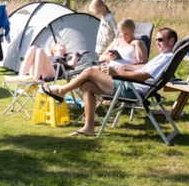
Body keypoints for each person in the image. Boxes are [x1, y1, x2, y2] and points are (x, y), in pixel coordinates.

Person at [40, 27, 178, 137]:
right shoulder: (163, 56)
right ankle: (88, 128)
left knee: (91, 71)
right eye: (156, 40)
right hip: (130, 84)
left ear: (171, 41)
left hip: (132, 89)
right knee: (87, 86)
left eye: (160, 39)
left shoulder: (167, 57)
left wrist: (117, 73)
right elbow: (143, 67)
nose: (157, 43)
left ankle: (62, 91)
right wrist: (125, 67)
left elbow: (144, 76)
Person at [18, 43, 85, 81]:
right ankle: (20, 77)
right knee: (33, 48)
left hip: (53, 73)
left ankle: (35, 80)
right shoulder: (48, 57)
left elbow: (73, 64)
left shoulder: (66, 57)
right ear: (54, 50)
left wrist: (74, 55)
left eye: (63, 46)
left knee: (39, 51)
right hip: (39, 71)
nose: (63, 46)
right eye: (61, 46)